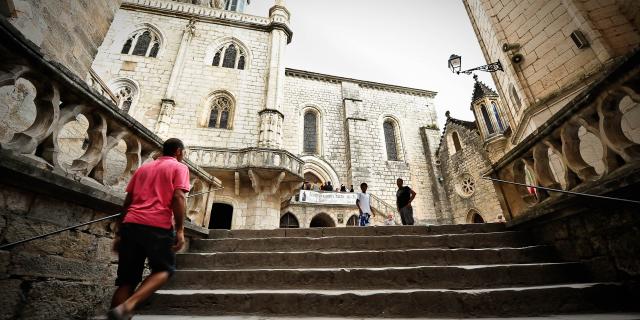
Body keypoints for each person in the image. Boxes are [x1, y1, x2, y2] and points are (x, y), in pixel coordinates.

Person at [107, 138, 190, 320]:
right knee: (164, 270)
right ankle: (128, 306)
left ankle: (118, 311)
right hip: (157, 226)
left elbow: (127, 201)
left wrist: (120, 232)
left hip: (131, 225)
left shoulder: (144, 167)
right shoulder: (179, 167)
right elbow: (178, 197)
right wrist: (181, 230)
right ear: (178, 151)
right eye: (183, 152)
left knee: (127, 281)